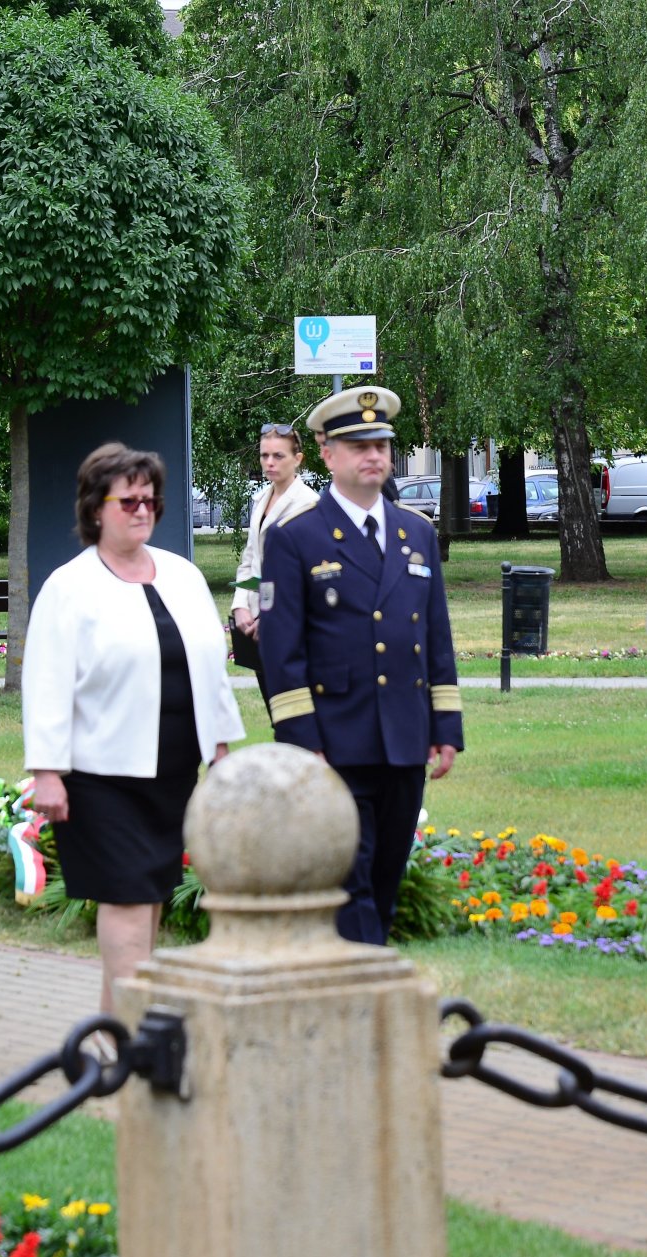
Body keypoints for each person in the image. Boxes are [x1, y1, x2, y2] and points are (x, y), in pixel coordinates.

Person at [23, 443, 245, 1013]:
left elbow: (210, 669)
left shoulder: (183, 575)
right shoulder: (69, 587)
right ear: (96, 508)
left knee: (148, 898)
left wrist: (221, 750)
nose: (143, 510)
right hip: (101, 777)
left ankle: (115, 1028)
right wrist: (46, 773)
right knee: (124, 899)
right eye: (129, 501)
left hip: (172, 772)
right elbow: (45, 684)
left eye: (151, 500)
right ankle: (136, 1037)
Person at [257, 387, 462, 946]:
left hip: (404, 741)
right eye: (357, 445)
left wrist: (446, 728)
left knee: (384, 879)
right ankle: (365, 1002)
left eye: (381, 445)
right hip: (335, 744)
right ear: (326, 454)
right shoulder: (296, 539)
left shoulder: (415, 532)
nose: (373, 455)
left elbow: (435, 639)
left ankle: (361, 993)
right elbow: (282, 654)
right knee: (351, 885)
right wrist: (303, 743)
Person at [229, 424, 317, 710]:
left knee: (295, 714)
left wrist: (272, 615)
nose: (269, 462)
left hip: (292, 626)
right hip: (255, 625)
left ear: (298, 459)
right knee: (274, 712)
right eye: (264, 455)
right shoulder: (261, 500)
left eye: (278, 456)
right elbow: (250, 560)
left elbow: (309, 574)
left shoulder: (309, 505)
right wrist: (240, 605)